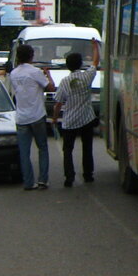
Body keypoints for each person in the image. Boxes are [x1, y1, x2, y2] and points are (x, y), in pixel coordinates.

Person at [9, 43, 54, 190]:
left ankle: (28, 182)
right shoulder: (35, 72)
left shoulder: (14, 73)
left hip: (21, 117)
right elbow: (50, 88)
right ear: (31, 56)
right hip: (37, 114)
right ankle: (43, 180)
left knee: (24, 152)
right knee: (42, 148)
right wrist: (47, 74)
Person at [54, 44, 100, 187]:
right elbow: (95, 62)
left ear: (68, 66)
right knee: (87, 147)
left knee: (67, 149)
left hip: (70, 120)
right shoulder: (87, 76)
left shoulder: (64, 82)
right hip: (87, 118)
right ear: (80, 64)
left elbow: (58, 103)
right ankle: (88, 174)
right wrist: (95, 47)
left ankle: (69, 177)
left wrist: (55, 118)